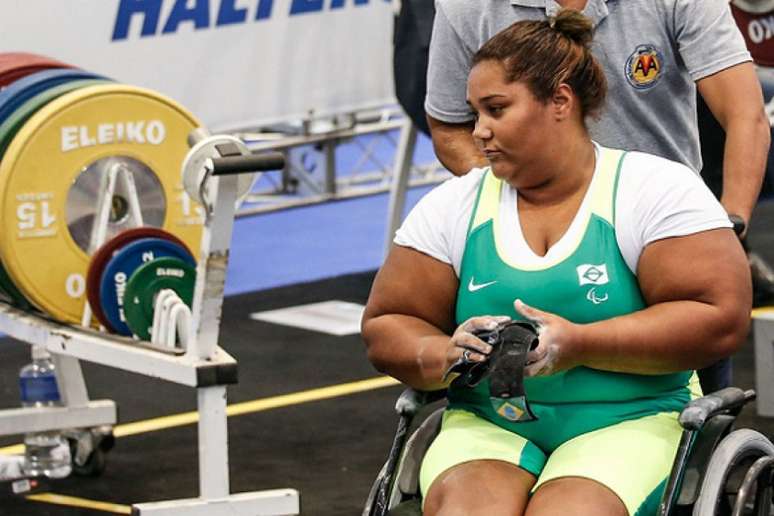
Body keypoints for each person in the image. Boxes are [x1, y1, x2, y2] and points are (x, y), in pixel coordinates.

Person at [362, 11, 751, 515]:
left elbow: (719, 319)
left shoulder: (656, 191)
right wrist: (444, 355)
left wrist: (582, 343)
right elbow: (387, 324)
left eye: (496, 110)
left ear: (560, 102)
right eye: (475, 113)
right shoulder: (454, 205)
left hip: (628, 419)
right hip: (490, 423)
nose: (478, 132)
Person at [424, 0, 770, 394]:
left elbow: (746, 113)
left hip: (662, 236)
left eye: (497, 109)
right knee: (521, 398)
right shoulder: (465, 7)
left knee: (698, 410)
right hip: (539, 242)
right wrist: (521, 198)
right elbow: (449, 125)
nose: (484, 128)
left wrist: (730, 223)